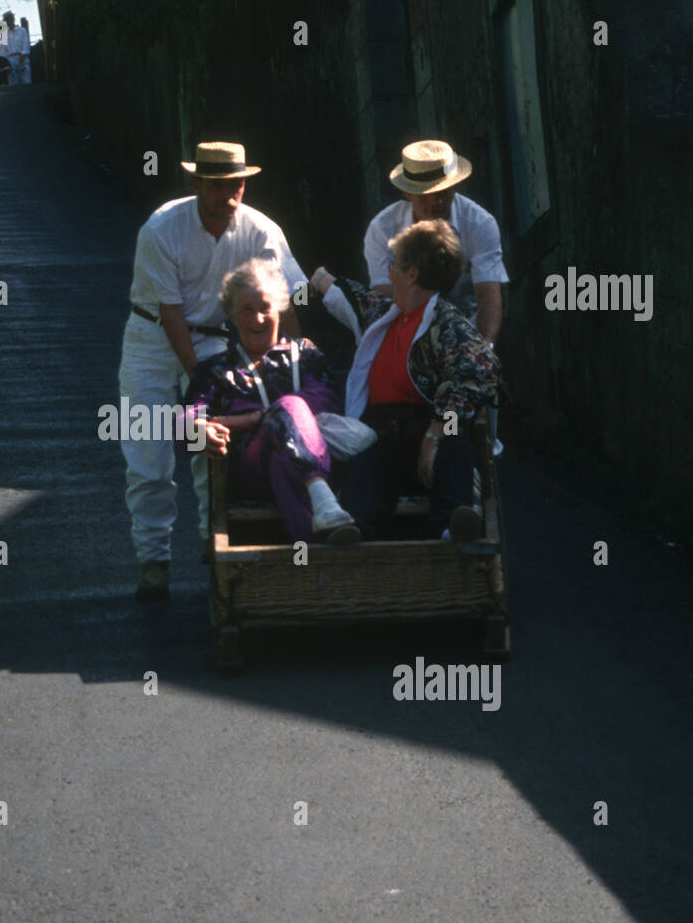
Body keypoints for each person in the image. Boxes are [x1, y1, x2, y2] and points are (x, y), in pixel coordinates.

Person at [120, 141, 306, 601]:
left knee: (210, 449)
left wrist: (295, 364)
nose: (230, 194)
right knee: (149, 457)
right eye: (219, 184)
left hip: (214, 340)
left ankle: (214, 550)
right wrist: (200, 386)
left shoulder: (261, 231)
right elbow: (170, 313)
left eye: (237, 184)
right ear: (197, 183)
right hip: (150, 339)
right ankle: (153, 561)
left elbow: (287, 300)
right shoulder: (161, 229)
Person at [311, 219, 499, 540]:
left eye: (394, 265)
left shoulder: (448, 324)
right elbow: (350, 294)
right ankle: (355, 536)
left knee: (455, 449)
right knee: (364, 469)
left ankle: (453, 529)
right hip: (382, 437)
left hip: (428, 434)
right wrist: (319, 279)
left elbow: (480, 369)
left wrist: (435, 435)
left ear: (412, 274)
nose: (388, 274)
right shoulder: (383, 312)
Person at [184, 260, 359, 545]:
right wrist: (199, 428)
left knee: (285, 456)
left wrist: (253, 418)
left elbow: (327, 402)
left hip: (315, 460)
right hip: (252, 472)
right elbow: (187, 419)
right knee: (288, 408)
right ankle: (323, 501)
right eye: (247, 310)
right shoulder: (215, 370)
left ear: (279, 308)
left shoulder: (305, 355)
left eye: (265, 307)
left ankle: (316, 551)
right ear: (231, 315)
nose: (258, 319)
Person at [363, 140, 507, 346]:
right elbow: (385, 296)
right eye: (425, 194)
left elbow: (487, 291)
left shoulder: (480, 223)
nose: (434, 201)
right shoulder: (381, 229)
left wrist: (485, 348)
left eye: (442, 192)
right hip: (406, 333)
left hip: (469, 329)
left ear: (455, 186)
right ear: (407, 193)